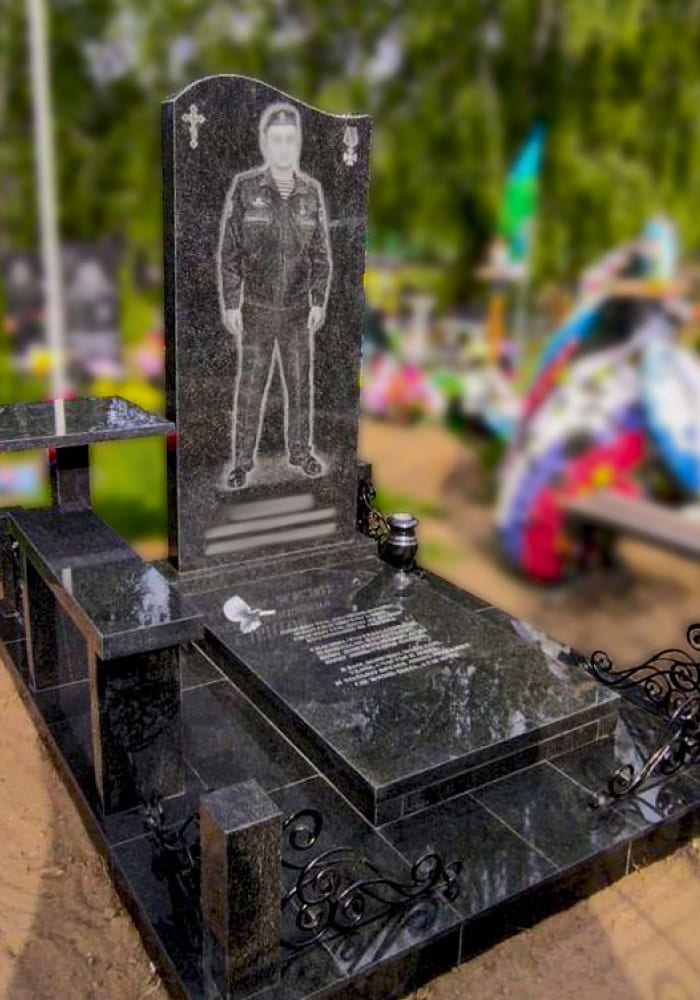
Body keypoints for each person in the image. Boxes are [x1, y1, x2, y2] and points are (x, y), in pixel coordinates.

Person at [218, 102, 332, 489]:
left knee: (299, 385)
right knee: (251, 388)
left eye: (290, 140)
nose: (284, 147)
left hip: (298, 309)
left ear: (298, 144)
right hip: (257, 308)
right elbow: (230, 253)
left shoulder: (310, 193)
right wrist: (231, 302)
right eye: (277, 139)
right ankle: (241, 461)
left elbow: (321, 255)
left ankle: (300, 452)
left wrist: (318, 299)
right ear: (265, 143)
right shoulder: (247, 188)